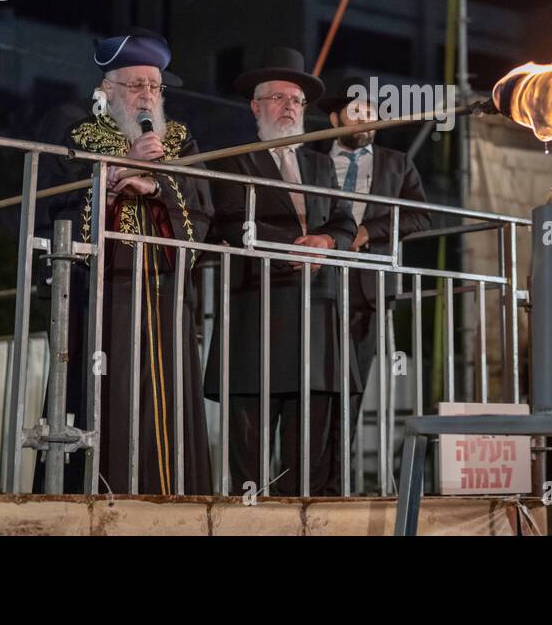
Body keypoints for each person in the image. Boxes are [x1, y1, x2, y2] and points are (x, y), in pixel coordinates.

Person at [39, 28, 213, 494]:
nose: (147, 96)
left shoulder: (177, 138)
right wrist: (117, 173)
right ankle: (101, 496)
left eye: (154, 87)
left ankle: (172, 497)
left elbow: (202, 205)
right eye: (137, 85)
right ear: (106, 89)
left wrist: (154, 185)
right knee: (107, 393)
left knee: (169, 398)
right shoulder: (75, 126)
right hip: (104, 291)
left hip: (165, 293)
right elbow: (54, 202)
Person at [202, 47, 357, 496]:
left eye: (296, 101)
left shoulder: (322, 164)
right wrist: (289, 244)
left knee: (308, 449)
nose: (289, 107)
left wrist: (326, 242)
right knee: (248, 449)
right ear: (255, 105)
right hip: (259, 312)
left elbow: (345, 222)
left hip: (317, 313)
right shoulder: (234, 159)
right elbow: (229, 220)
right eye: (278, 98)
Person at [316, 76, 430, 492]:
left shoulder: (396, 162)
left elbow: (422, 216)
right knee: (312, 384)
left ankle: (334, 482)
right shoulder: (313, 160)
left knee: (352, 388)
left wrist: (368, 232)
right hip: (318, 285)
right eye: (355, 111)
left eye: (371, 114)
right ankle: (298, 476)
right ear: (334, 118)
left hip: (368, 288)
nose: (364, 120)